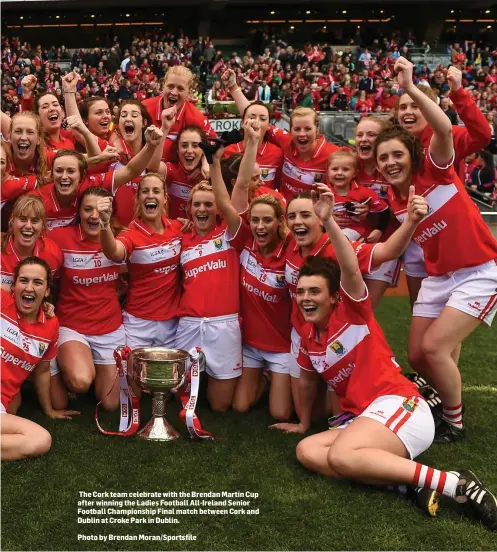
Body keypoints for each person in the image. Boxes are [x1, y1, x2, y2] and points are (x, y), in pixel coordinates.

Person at [272, 185, 497, 533]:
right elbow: (304, 382)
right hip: (367, 418)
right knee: (308, 451)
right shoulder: (306, 337)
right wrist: (303, 423)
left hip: (402, 406)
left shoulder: (353, 311)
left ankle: (457, 484)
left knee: (341, 456)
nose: (305, 298)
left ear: (334, 297)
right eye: (300, 292)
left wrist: (329, 221)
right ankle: (407, 484)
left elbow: (349, 267)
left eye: (314, 291)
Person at [375, 57, 497, 443]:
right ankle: (441, 397)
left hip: (480, 270)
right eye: (383, 159)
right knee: (416, 356)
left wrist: (410, 88)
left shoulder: (436, 166)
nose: (391, 163)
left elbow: (446, 127)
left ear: (411, 154)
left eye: (397, 155)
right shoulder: (394, 195)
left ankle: (454, 422)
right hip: (439, 276)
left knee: (434, 346)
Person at [210, 120, 293, 420]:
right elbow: (225, 199)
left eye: (267, 221)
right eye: (255, 220)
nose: (259, 226)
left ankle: (281, 378)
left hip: (282, 345)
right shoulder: (244, 240)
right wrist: (215, 163)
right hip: (251, 345)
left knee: (281, 414)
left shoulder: (290, 254)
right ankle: (266, 378)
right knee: (240, 407)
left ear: (279, 222)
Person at [396, 65, 491, 307]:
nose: (407, 111)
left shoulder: (443, 137)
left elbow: (481, 135)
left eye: (415, 105)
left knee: (448, 307)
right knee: (421, 307)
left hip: (448, 231)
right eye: (402, 107)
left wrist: (458, 93)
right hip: (419, 236)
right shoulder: (397, 144)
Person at [48, 187, 125, 411]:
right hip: (73, 326)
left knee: (111, 405)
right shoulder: (61, 237)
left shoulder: (123, 237)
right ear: (78, 212)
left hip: (109, 327)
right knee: (81, 381)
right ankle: (66, 365)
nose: (94, 215)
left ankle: (91, 366)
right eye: (88, 209)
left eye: (101, 209)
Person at [1, 257, 79, 461]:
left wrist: (49, 410)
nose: (29, 287)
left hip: (3, 400)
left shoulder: (51, 325)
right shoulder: (3, 302)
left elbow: (43, 371)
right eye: (23, 280)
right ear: (13, 285)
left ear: (47, 291)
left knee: (40, 440)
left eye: (37, 282)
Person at [221, 69, 340, 202]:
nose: (302, 134)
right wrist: (233, 87)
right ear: (290, 130)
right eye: (297, 129)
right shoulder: (286, 141)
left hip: (312, 215)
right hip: (282, 212)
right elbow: (253, 115)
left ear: (317, 130)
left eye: (307, 129)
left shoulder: (333, 154)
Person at [175, 181, 242, 413]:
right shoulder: (181, 238)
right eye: (197, 204)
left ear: (218, 209)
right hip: (189, 323)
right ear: (189, 209)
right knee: (178, 396)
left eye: (208, 204)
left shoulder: (229, 234)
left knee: (220, 406)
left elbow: (230, 200)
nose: (202, 209)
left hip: (224, 324)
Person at [97, 172, 183, 353]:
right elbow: (113, 252)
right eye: (145, 191)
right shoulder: (131, 234)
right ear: (137, 198)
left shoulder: (178, 228)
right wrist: (104, 225)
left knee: (165, 380)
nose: (150, 195)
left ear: (165, 198)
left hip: (172, 324)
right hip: (138, 323)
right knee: (131, 379)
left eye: (156, 191)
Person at [33, 124, 164, 230]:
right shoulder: (36, 198)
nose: (64, 176)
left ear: (82, 175)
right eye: (59, 171)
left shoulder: (90, 185)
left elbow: (130, 171)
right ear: (51, 174)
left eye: (71, 171)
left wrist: (150, 146)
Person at [353, 115, 402, 308]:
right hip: (350, 246)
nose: (364, 139)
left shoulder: (394, 168)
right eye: (360, 134)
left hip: (385, 247)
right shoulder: (347, 165)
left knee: (365, 311)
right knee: (342, 308)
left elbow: (404, 212)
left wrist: (375, 212)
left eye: (371, 135)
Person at [142, 66, 216, 162]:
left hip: (178, 173)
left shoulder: (196, 118)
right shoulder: (144, 108)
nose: (174, 92)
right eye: (170, 86)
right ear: (163, 85)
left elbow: (214, 144)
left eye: (180, 89)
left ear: (189, 92)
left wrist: (204, 161)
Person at [326, 149, 389, 243]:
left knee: (339, 240)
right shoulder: (323, 193)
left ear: (354, 174)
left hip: (356, 232)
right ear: (327, 171)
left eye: (345, 169)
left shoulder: (364, 192)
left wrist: (379, 230)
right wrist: (327, 219)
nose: (339, 173)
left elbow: (384, 211)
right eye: (335, 169)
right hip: (330, 232)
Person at [222, 101, 283, 190]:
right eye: (251, 117)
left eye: (262, 119)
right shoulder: (227, 152)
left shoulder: (277, 154)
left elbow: (279, 186)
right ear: (243, 123)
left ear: (269, 126)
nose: (256, 122)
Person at [165, 126, 208, 219]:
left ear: (203, 150)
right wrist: (164, 128)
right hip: (174, 231)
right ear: (177, 149)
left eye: (195, 146)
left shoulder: (210, 174)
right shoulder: (171, 170)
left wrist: (206, 161)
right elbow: (152, 166)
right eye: (184, 146)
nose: (189, 151)